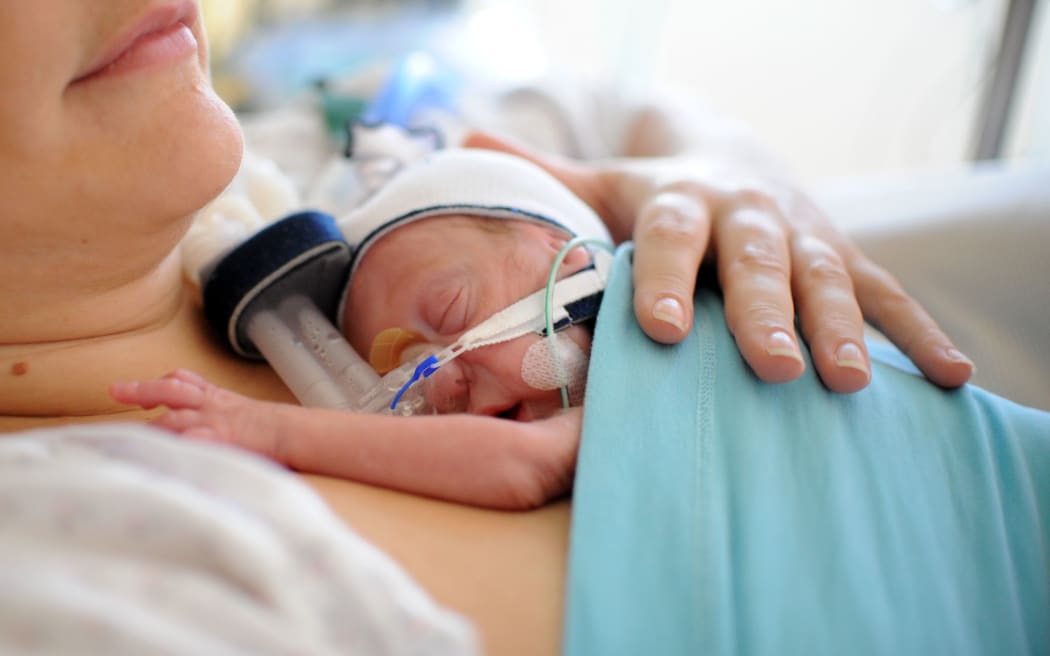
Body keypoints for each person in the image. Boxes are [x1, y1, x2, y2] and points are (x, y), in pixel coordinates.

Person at [0, 1, 976, 653]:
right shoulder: (62, 576)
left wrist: (699, 185)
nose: (439, 372)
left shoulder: (315, 181)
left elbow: (595, 106)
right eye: (430, 340)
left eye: (446, 324)